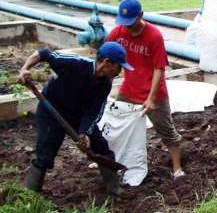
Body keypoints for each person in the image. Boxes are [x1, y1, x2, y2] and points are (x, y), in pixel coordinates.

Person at [18, 42, 132, 195]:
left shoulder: (105, 84)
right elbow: (43, 53)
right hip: (51, 110)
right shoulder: (74, 64)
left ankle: (113, 186)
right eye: (119, 67)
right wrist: (25, 69)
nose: (120, 71)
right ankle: (30, 193)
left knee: (101, 147)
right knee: (45, 152)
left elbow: (94, 112)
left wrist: (84, 133)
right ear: (106, 63)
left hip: (77, 114)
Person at [107, 0, 185, 179]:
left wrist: (151, 98)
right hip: (128, 89)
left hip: (154, 93)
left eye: (131, 22)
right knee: (116, 125)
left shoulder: (154, 36)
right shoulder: (117, 33)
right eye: (124, 23)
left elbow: (159, 68)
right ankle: (109, 159)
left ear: (141, 16)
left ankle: (177, 168)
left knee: (166, 130)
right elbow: (107, 57)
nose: (127, 27)